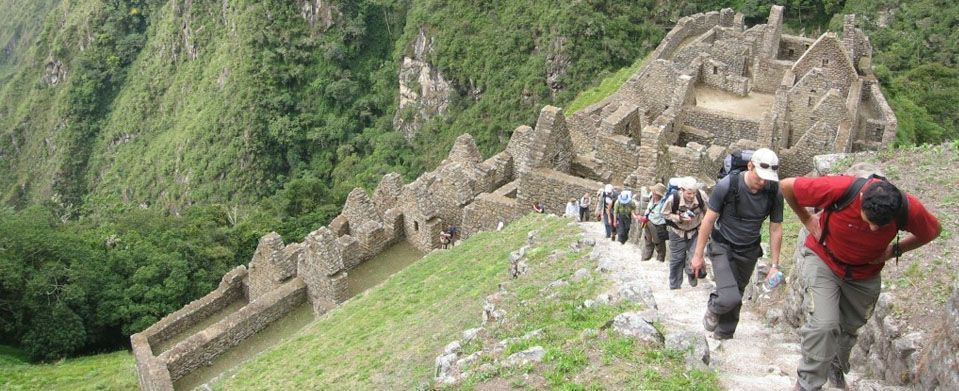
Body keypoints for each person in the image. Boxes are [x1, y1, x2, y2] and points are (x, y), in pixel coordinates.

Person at [780, 174, 941, 391]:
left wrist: (896, 250)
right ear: (862, 198)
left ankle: (834, 366)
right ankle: (808, 383)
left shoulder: (907, 208)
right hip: (824, 260)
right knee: (824, 325)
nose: (874, 229)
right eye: (869, 221)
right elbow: (787, 186)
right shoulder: (841, 188)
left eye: (880, 225)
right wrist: (807, 219)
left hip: (864, 274)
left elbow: (933, 231)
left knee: (848, 328)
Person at [691, 148, 784, 340]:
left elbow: (775, 228)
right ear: (750, 166)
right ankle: (714, 306)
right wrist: (698, 255)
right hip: (722, 246)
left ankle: (724, 334)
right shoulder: (728, 185)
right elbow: (708, 220)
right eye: (760, 177)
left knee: (737, 292)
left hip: (749, 250)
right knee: (729, 296)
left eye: (767, 178)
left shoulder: (774, 191)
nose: (763, 182)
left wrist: (774, 265)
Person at [660, 177, 708, 289]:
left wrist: (703, 224)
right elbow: (664, 213)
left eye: (694, 193)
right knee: (677, 259)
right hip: (677, 232)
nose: (692, 196)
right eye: (689, 193)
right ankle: (675, 286)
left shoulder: (701, 196)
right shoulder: (673, 199)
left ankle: (692, 275)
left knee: (695, 257)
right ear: (682, 190)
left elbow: (708, 211)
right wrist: (679, 218)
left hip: (695, 231)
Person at [640, 183, 668, 262]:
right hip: (648, 222)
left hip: (658, 225)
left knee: (658, 243)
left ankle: (660, 260)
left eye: (656, 193)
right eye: (653, 192)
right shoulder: (651, 198)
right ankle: (645, 259)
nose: (654, 194)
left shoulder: (664, 203)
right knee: (648, 241)